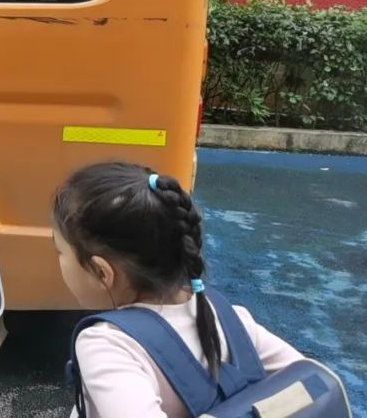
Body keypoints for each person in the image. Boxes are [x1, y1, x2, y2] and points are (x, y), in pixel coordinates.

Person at [52, 162, 305, 418]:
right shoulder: (231, 319)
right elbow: (313, 382)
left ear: (101, 272)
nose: (58, 260)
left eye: (60, 251)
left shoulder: (109, 345)